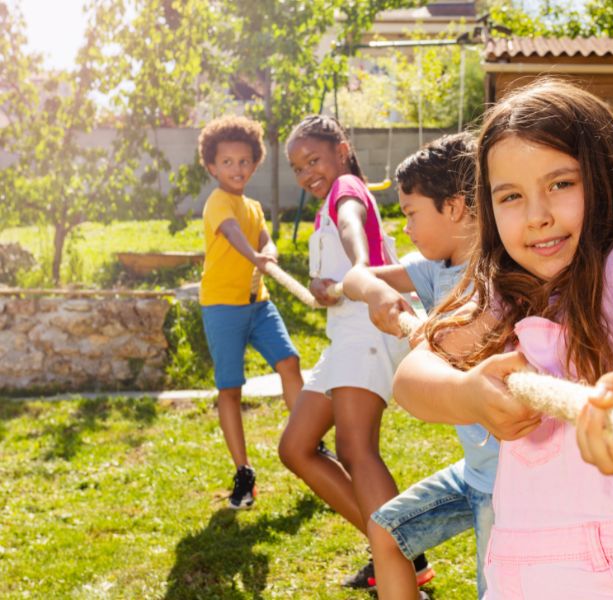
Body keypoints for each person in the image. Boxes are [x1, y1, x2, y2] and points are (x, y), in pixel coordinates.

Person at [392, 79, 613, 599]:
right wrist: (465, 391)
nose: (537, 213)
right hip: (529, 568)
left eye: (561, 184)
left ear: (606, 178)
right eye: (511, 196)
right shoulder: (509, 290)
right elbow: (413, 376)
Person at [278, 115, 432, 595]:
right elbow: (337, 258)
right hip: (345, 338)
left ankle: (399, 565)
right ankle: (402, 550)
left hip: (368, 332)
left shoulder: (346, 188)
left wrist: (361, 269)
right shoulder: (327, 205)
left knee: (354, 449)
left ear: (342, 150)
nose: (307, 173)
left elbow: (351, 226)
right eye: (298, 168)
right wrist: (323, 285)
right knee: (296, 447)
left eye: (314, 159)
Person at [342, 132, 499, 599]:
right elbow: (356, 276)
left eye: (411, 213)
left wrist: (419, 327)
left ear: (453, 207)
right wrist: (376, 292)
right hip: (475, 471)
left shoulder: (502, 276)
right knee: (387, 533)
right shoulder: (434, 269)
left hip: (510, 484)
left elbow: (456, 353)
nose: (405, 227)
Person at [198, 115, 304, 510]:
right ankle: (243, 471)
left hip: (258, 304)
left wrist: (270, 250)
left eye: (244, 161)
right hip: (222, 306)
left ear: (254, 163)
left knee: (289, 361)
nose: (236, 169)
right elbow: (233, 235)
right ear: (212, 166)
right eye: (227, 162)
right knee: (230, 387)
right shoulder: (217, 203)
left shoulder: (253, 206)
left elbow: (262, 236)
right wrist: (256, 255)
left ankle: (308, 439)